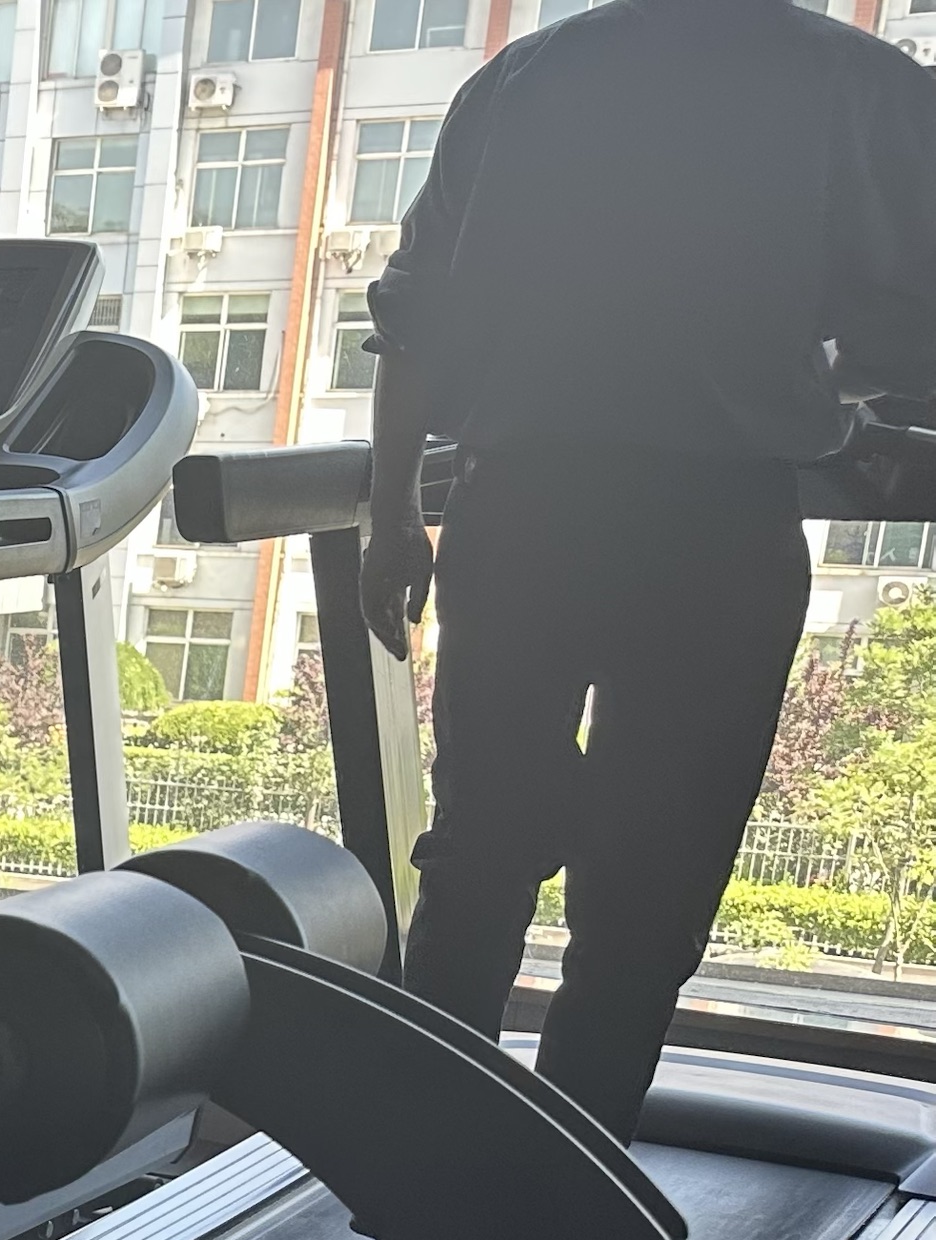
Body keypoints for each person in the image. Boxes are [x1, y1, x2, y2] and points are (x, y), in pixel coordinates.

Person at [358, 0, 936, 1140]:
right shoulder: (857, 83)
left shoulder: (528, 76)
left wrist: (390, 518)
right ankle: (581, 1171)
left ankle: (424, 1154)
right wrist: (825, 386)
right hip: (718, 524)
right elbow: (910, 324)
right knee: (654, 880)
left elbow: (414, 319)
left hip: (524, 506)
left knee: (480, 849)